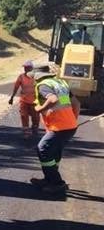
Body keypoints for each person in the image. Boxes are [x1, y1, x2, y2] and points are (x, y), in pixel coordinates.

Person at [30, 63, 79, 195]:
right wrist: (73, 120)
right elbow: (75, 103)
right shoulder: (59, 84)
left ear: (36, 77)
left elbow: (53, 100)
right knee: (54, 152)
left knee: (43, 149)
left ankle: (57, 183)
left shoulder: (43, 85)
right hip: (68, 126)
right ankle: (49, 180)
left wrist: (39, 108)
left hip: (60, 127)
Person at [8, 60, 40, 137]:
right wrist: (12, 97)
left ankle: (35, 128)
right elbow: (16, 87)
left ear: (32, 68)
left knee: (35, 117)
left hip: (35, 102)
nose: (25, 69)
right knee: (24, 115)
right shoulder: (21, 77)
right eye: (25, 67)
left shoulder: (37, 77)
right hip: (24, 101)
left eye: (27, 67)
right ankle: (26, 132)